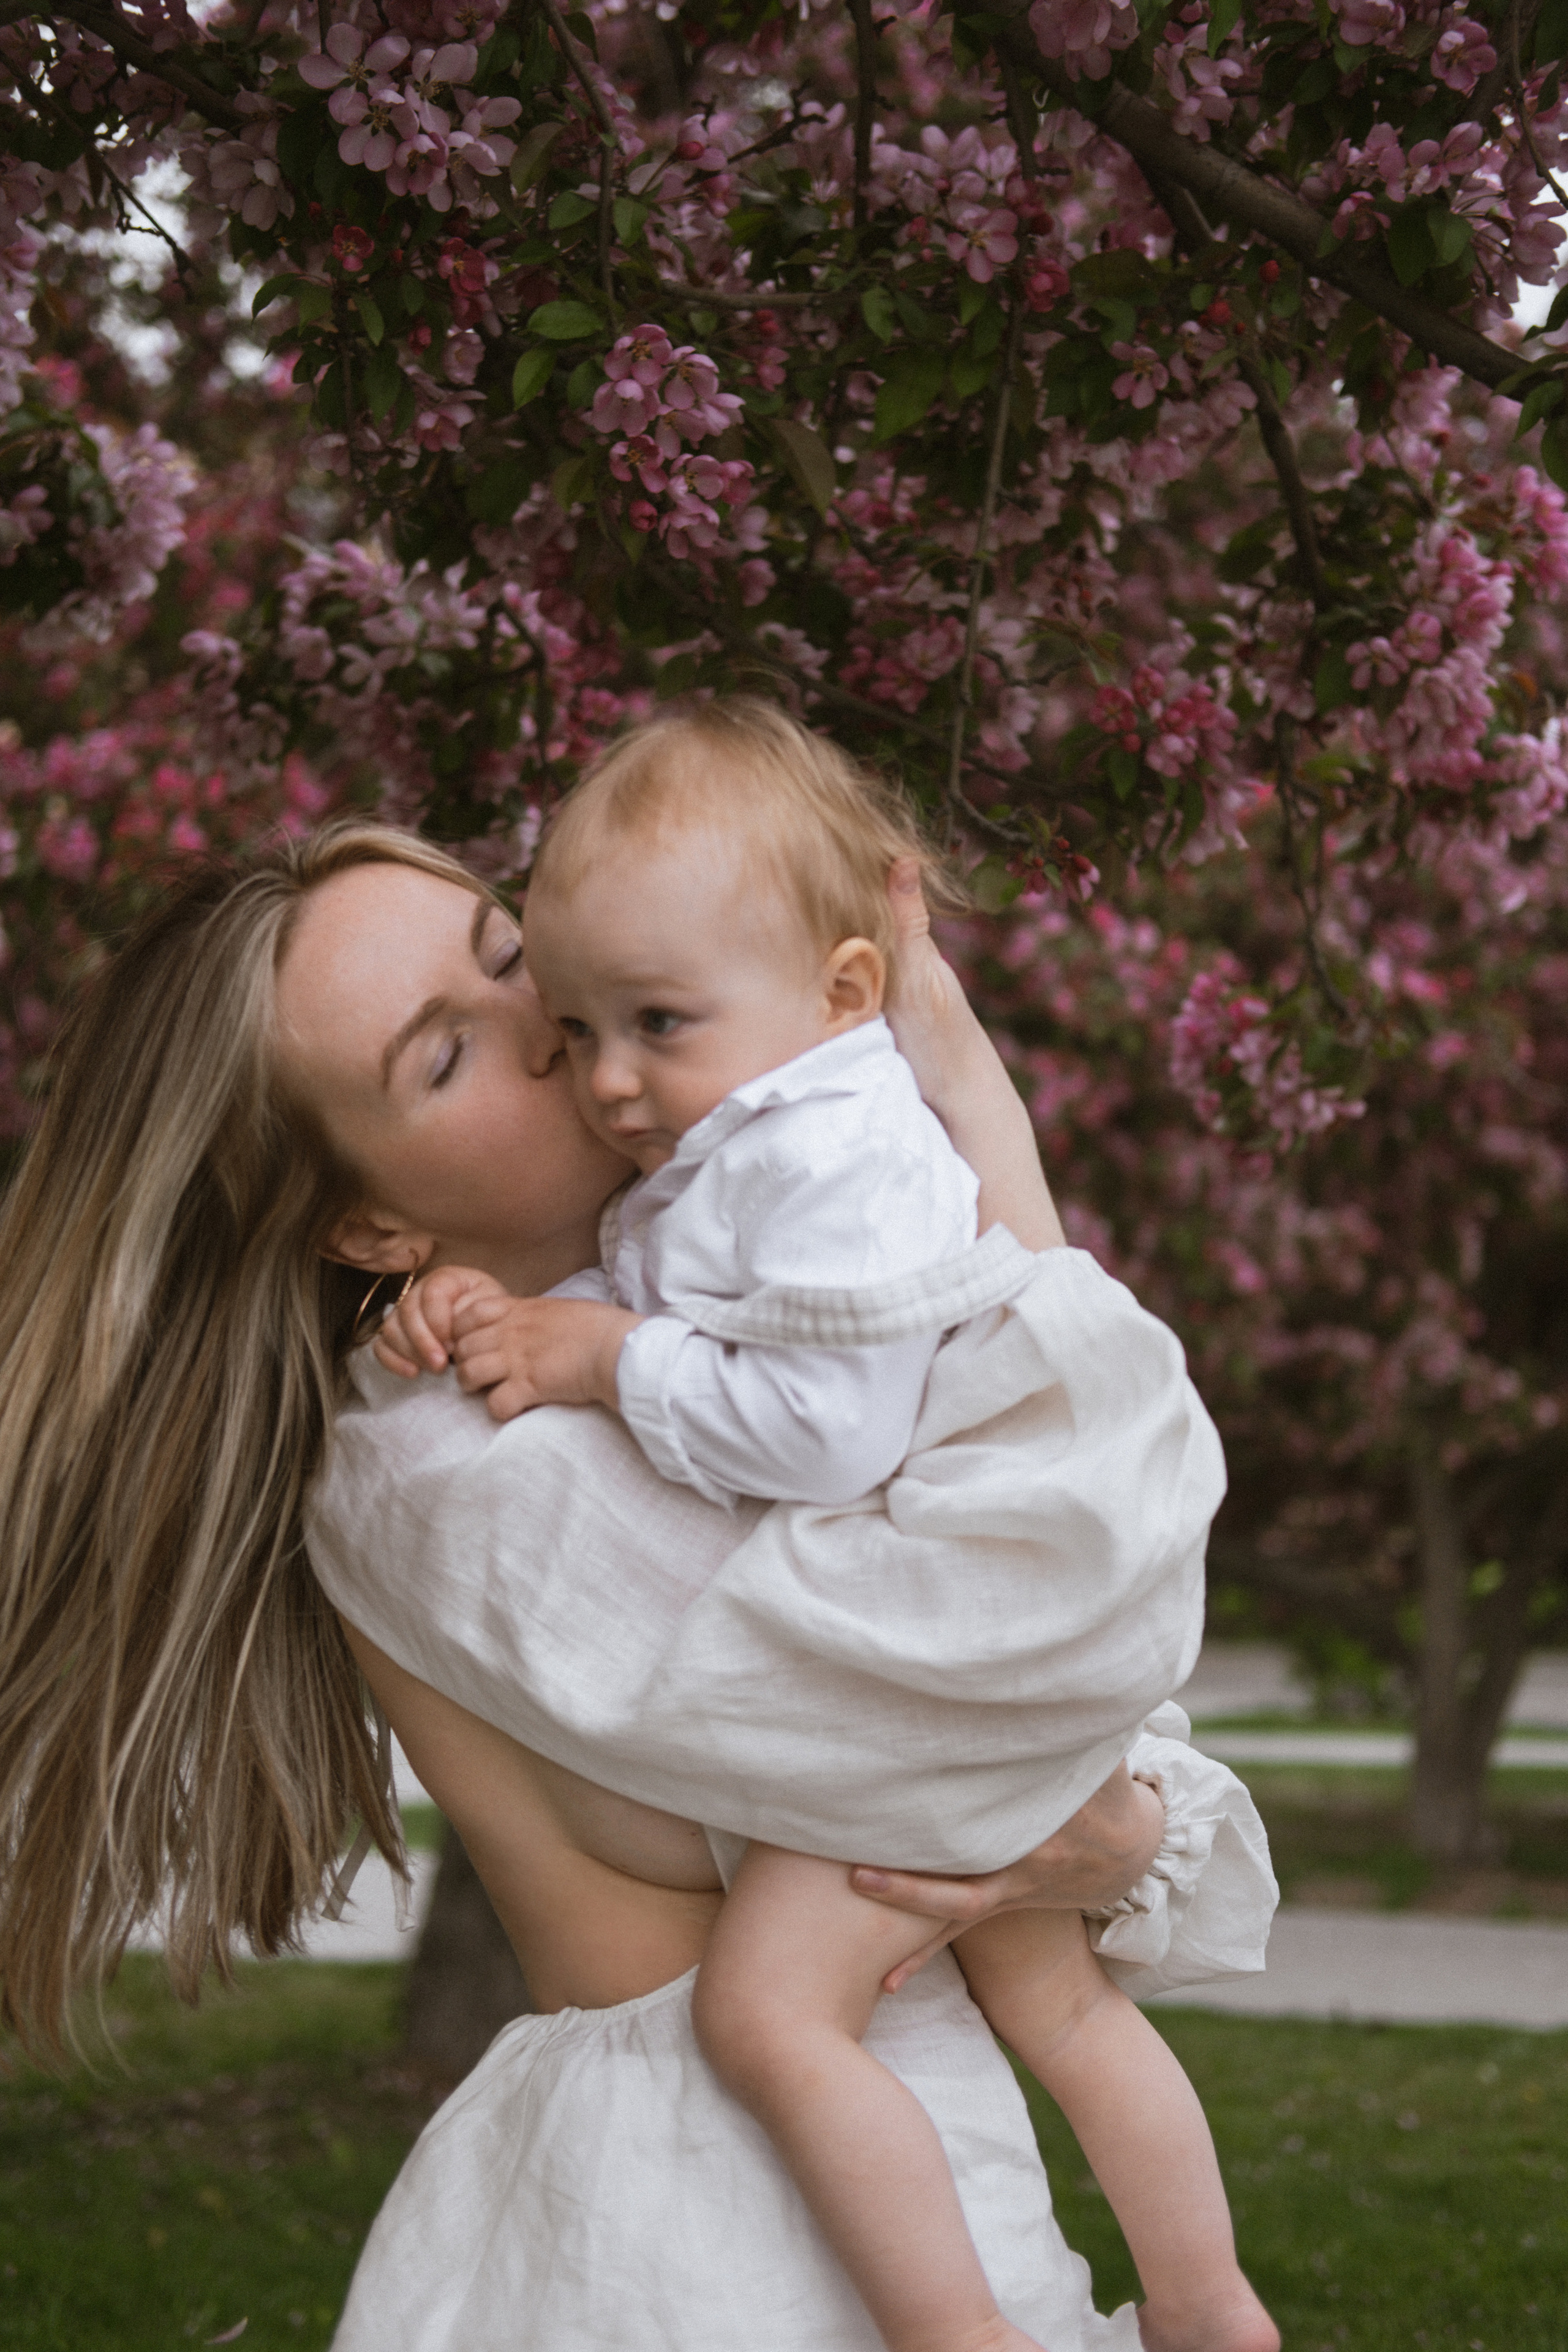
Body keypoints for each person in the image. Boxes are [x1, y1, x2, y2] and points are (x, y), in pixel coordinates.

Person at [0, 816, 1250, 2351]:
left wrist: (934, 1069)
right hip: (721, 2231)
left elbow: (1026, 1602)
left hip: (872, 2177)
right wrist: (1111, 1817)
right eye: (444, 1056)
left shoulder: (691, 1335)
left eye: (512, 956)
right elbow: (973, 1670)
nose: (551, 1029)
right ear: (371, 1224)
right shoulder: (457, 1455)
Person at [371, 704, 1278, 2352]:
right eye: (552, 1022)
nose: (596, 1068)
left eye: (562, 998)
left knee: (772, 2015)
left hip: (947, 1659)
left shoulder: (795, 1161)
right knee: (1054, 1996)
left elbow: (814, 1428)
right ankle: (1208, 2306)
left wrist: (595, 1353)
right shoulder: (757, 1148)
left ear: (840, 989)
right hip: (734, 2177)